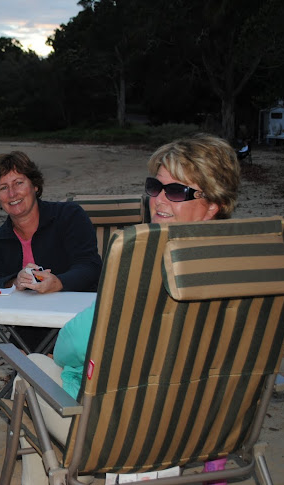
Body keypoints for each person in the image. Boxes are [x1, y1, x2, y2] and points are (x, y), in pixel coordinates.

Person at [19, 133, 241, 484]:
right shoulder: (249, 268)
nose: (159, 200)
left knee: (29, 370)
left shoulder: (141, 264)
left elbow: (73, 347)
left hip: (131, 432)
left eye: (178, 192)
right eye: (156, 186)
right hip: (213, 427)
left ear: (213, 204)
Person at [0, 151, 102, 351]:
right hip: (30, 326)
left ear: (35, 186)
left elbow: (90, 266)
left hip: (79, 319)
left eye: (19, 183)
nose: (12, 194)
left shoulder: (68, 216)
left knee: (32, 364)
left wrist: (58, 283)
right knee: (23, 358)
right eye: (3, 188)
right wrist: (16, 281)